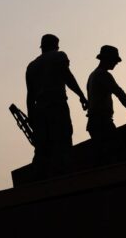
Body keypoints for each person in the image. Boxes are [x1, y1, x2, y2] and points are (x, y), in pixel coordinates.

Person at [26, 34, 88, 178]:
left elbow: (30, 95)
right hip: (56, 106)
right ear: (55, 45)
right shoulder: (58, 56)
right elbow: (67, 77)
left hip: (39, 110)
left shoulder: (31, 66)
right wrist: (81, 95)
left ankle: (39, 180)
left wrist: (31, 117)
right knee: (63, 140)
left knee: (42, 147)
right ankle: (66, 177)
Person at [86, 45, 126, 162]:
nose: (116, 63)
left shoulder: (92, 75)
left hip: (95, 122)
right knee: (117, 153)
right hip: (101, 122)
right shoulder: (103, 75)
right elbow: (120, 93)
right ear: (107, 59)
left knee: (104, 156)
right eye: (114, 60)